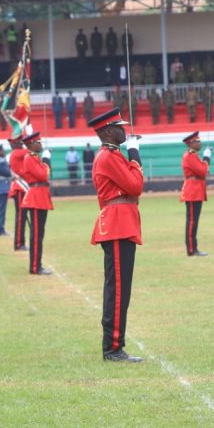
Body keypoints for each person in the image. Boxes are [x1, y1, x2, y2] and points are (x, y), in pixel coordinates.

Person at [87, 108, 143, 363]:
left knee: (120, 288)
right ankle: (113, 348)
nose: (125, 130)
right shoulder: (109, 156)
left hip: (122, 222)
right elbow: (135, 186)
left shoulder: (112, 154)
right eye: (120, 127)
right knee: (118, 289)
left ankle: (115, 345)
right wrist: (135, 155)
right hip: (118, 224)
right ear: (108, 131)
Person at [19, 131, 52, 274]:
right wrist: (46, 162)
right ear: (31, 144)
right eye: (38, 142)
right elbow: (43, 175)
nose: (40, 144)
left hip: (41, 196)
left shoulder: (34, 158)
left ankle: (37, 264)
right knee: (37, 234)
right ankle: (35, 267)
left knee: (40, 234)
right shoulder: (30, 158)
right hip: (36, 197)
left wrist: (44, 163)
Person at [180, 132, 211, 257]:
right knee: (192, 221)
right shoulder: (190, 156)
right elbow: (203, 171)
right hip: (193, 191)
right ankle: (192, 249)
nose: (200, 143)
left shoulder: (193, 155)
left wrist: (205, 159)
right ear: (191, 143)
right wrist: (207, 158)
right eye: (197, 141)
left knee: (194, 221)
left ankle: (193, 248)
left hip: (196, 190)